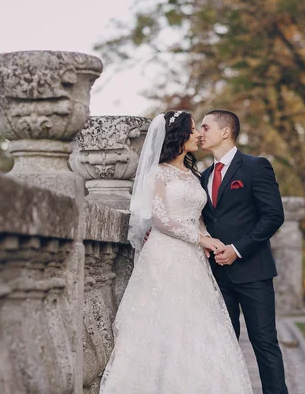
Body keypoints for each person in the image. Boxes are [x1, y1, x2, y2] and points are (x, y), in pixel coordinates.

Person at [99, 111, 253, 394]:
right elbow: (161, 220)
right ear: (179, 136)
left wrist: (206, 237)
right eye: (193, 130)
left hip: (193, 259)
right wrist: (201, 239)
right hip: (165, 255)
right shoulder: (157, 173)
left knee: (196, 324)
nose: (198, 135)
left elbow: (196, 216)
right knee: (165, 322)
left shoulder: (194, 174)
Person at [199, 110, 288, 394]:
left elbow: (273, 216)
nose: (201, 133)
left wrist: (237, 250)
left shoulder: (255, 166)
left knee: (264, 342)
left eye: (205, 127)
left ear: (225, 132)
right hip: (216, 275)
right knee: (224, 344)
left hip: (253, 271)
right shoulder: (203, 176)